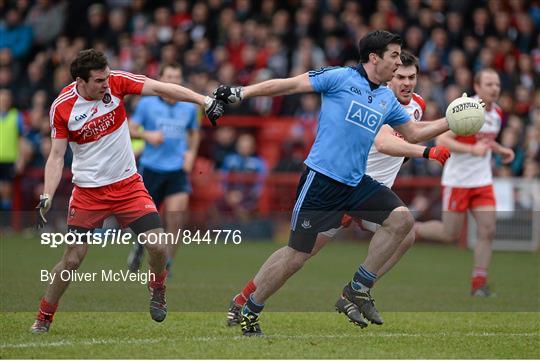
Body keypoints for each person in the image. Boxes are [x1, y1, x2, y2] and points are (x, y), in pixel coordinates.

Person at [213, 30, 454, 336]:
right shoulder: (339, 78)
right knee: (296, 256)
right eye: (394, 55)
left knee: (402, 220)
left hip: (356, 184)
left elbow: (415, 132)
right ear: (374, 58)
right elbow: (287, 86)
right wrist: (241, 92)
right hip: (321, 182)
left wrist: (453, 119)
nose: (398, 63)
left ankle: (358, 288)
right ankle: (249, 308)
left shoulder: (385, 98)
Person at [31, 49, 224, 333]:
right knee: (72, 258)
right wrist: (47, 194)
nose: (106, 84)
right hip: (88, 192)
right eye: (99, 81)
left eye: (107, 77)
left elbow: (161, 87)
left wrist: (203, 99)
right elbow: (57, 156)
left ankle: (157, 286)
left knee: (158, 245)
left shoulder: (117, 83)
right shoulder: (62, 108)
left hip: (128, 185)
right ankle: (43, 316)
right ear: (80, 81)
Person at [414, 68, 515, 297]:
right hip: (458, 180)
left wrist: (501, 150)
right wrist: (472, 149)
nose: (494, 88)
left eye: (497, 84)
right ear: (477, 87)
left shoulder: (497, 113)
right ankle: (414, 228)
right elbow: (442, 139)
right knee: (450, 233)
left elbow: (485, 142)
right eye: (489, 84)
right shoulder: (465, 108)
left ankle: (479, 283)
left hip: (482, 180)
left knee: (488, 230)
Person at [126, 62, 201, 273]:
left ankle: (165, 266)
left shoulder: (188, 106)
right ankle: (140, 246)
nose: (173, 81)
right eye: (169, 77)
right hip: (151, 168)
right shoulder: (147, 104)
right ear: (160, 79)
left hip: (177, 170)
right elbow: (130, 129)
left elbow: (194, 132)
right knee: (148, 221)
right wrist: (147, 135)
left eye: (177, 77)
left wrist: (191, 154)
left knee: (176, 218)